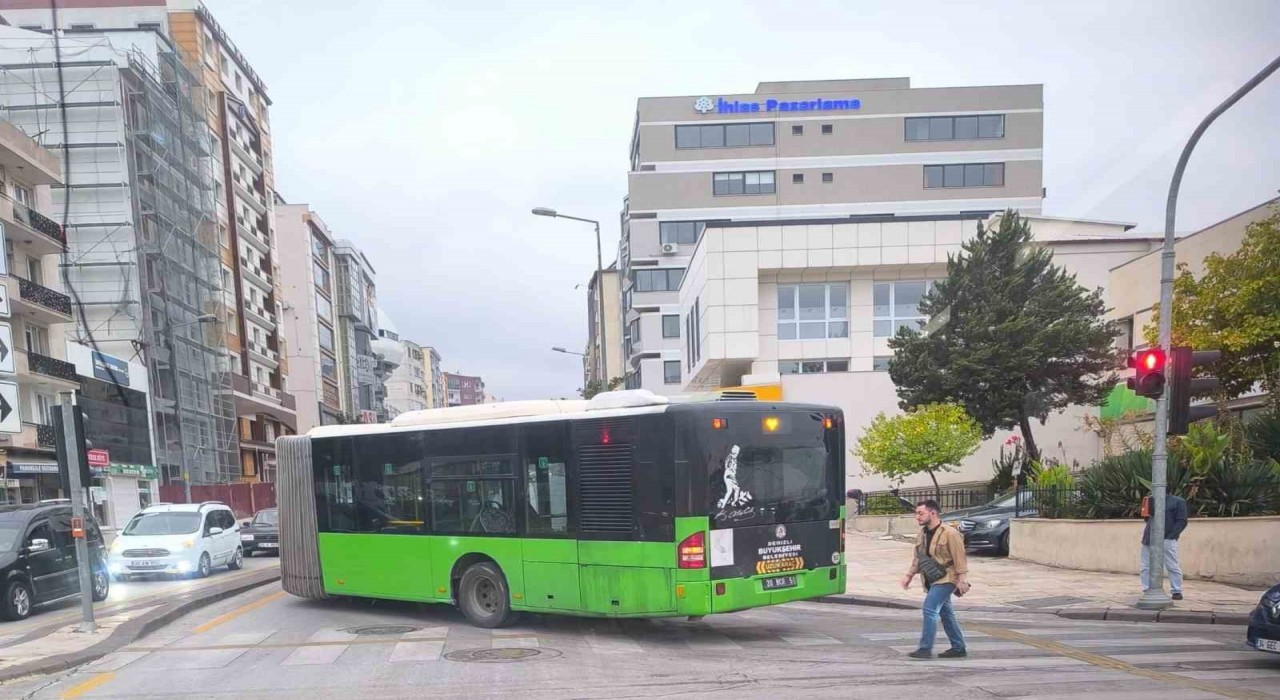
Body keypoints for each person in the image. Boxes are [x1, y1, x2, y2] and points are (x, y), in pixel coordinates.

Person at [900, 499, 969, 659]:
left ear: (933, 513)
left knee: (929, 609)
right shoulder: (922, 533)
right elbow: (918, 558)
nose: (917, 517)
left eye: (920, 513)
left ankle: (925, 648)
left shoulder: (950, 533)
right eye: (916, 513)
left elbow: (960, 558)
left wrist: (962, 580)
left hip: (948, 578)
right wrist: (909, 575)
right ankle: (958, 647)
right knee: (946, 613)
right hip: (931, 577)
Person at [1140, 492, 1189, 600]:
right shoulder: (1150, 499)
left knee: (1172, 565)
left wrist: (1171, 536)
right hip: (1149, 538)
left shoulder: (1178, 501)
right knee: (1145, 567)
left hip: (1167, 539)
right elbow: (1146, 518)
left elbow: (1182, 521)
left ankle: (1176, 590)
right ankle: (1146, 589)